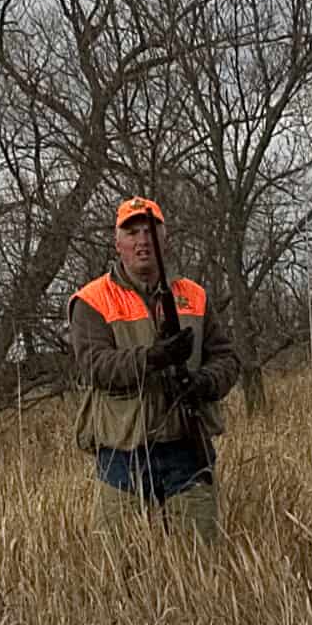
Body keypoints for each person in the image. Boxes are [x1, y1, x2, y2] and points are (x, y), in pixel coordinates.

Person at [66, 197, 241, 540]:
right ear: (117, 244)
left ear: (166, 238)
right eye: (132, 232)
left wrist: (203, 383)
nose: (142, 240)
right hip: (123, 450)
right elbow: (96, 366)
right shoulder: (91, 300)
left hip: (186, 446)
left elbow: (227, 358)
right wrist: (153, 358)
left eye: (150, 230)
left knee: (200, 561)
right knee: (119, 568)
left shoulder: (194, 295)